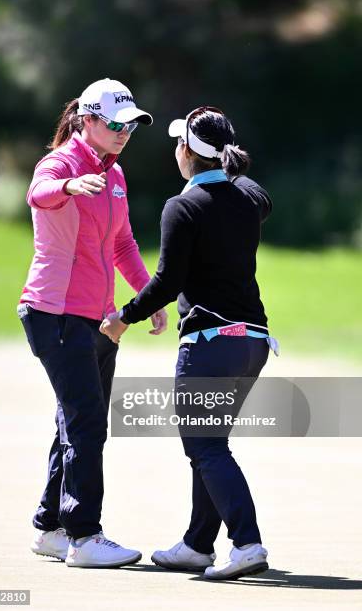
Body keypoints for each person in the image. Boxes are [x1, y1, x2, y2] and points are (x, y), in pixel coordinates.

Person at [101, 106, 276, 580]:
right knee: (210, 444)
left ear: (185, 152)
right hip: (252, 342)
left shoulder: (182, 206)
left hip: (210, 343)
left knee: (207, 448)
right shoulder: (248, 199)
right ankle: (199, 545)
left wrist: (124, 317)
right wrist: (227, 171)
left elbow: (167, 280)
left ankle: (247, 544)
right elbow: (257, 194)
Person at [17, 78, 167, 569]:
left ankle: (49, 527)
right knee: (85, 422)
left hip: (97, 318)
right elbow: (37, 193)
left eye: (132, 125)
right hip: (54, 312)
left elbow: (123, 245)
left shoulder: (115, 174)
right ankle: (85, 536)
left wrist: (150, 299)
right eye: (116, 124)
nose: (125, 132)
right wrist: (68, 185)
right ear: (88, 120)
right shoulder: (61, 163)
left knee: (76, 419)